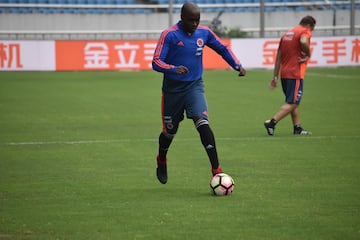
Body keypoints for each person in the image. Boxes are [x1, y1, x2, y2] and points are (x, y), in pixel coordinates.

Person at [152, 2, 246, 184]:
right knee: (169, 133)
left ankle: (217, 171)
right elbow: (156, 61)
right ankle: (161, 159)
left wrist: (237, 65)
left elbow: (222, 48)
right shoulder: (169, 35)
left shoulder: (204, 33)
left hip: (194, 86)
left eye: (197, 20)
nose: (195, 24)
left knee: (202, 123)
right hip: (173, 91)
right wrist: (173, 69)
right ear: (182, 18)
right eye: (191, 20)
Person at [264, 15, 316, 136]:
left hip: (285, 73)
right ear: (309, 26)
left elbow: (278, 57)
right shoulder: (304, 31)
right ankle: (272, 122)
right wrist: (308, 54)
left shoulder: (286, 34)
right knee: (292, 102)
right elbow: (303, 41)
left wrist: (275, 77)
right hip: (295, 72)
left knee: (292, 102)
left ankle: (297, 128)